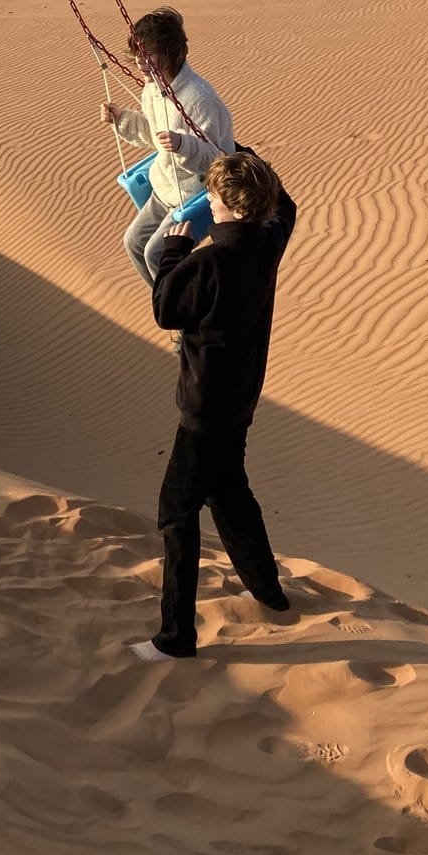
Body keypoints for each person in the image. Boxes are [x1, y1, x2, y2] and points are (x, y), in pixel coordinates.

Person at [129, 150, 297, 662]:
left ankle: (175, 638)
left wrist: (176, 250)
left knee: (175, 514)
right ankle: (267, 591)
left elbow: (165, 308)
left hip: (205, 406)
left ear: (223, 204)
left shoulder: (211, 261)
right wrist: (243, 155)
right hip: (240, 397)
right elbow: (286, 204)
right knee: (228, 492)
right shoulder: (269, 241)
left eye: (215, 198)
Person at [102, 8, 234, 288]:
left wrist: (183, 144)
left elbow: (218, 162)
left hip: (197, 195)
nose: (140, 63)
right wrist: (121, 119)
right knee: (134, 243)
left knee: (156, 254)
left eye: (148, 55)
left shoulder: (200, 99)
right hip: (166, 188)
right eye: (137, 54)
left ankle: (186, 314)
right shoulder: (152, 89)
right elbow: (154, 135)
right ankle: (171, 307)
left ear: (171, 53)